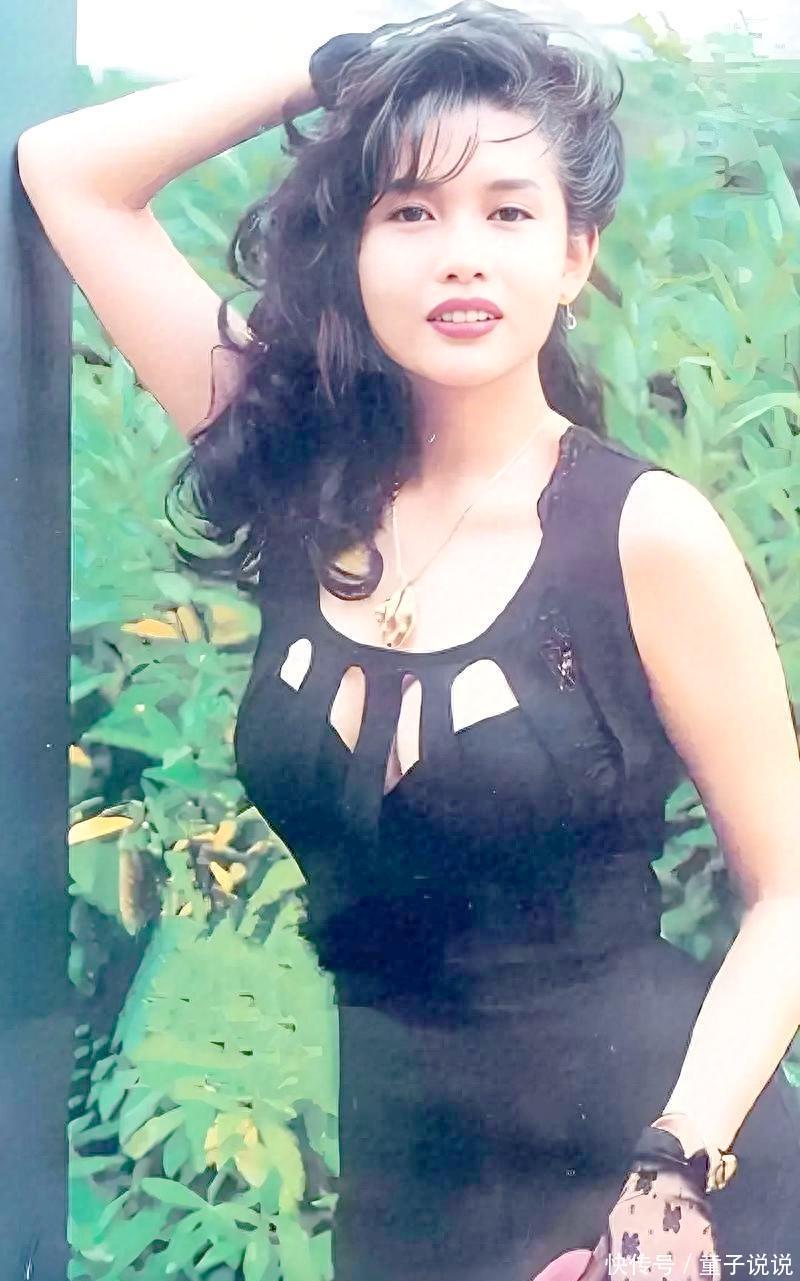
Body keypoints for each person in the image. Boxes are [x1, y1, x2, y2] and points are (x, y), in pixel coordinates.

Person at [17, 2, 800, 1277]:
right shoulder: (290, 469)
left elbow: (788, 893)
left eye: (507, 212)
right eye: (410, 212)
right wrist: (338, 66)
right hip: (410, 1209)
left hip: (665, 1194)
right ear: (353, 249)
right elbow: (72, 173)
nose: (460, 257)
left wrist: (670, 1180)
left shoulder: (643, 533)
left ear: (574, 256)